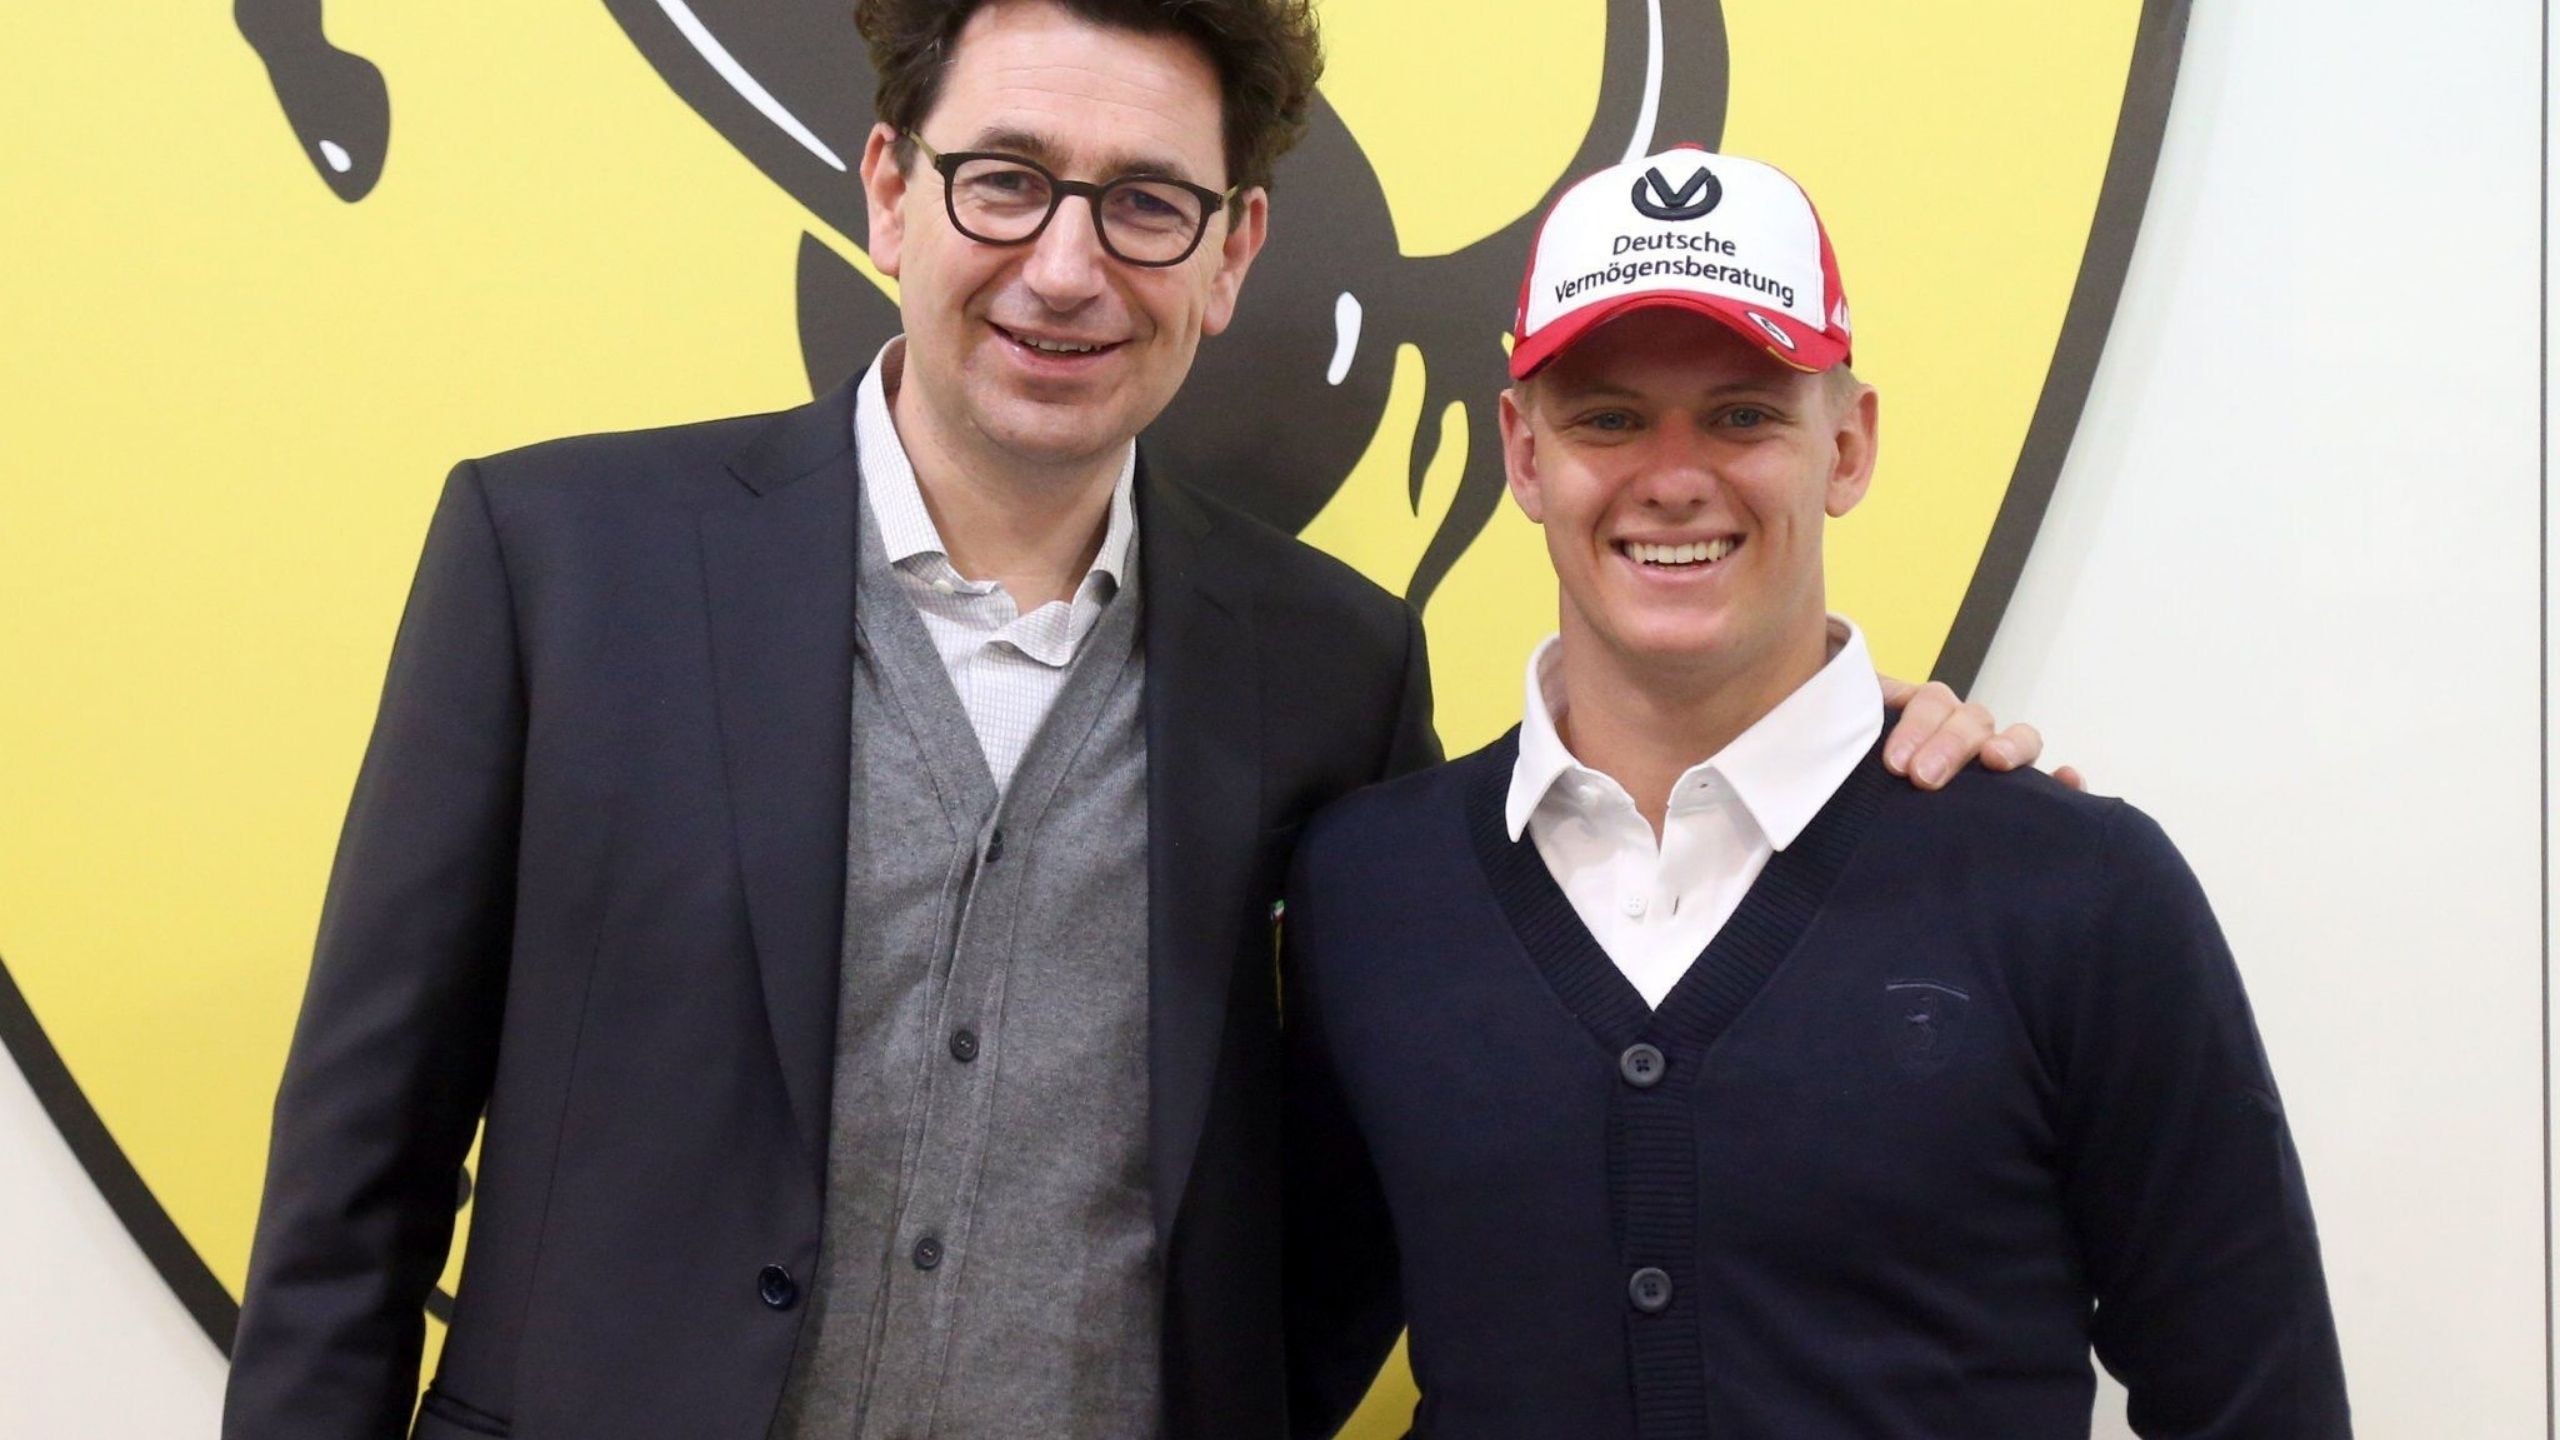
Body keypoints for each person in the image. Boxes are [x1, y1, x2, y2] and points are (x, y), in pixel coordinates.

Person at [220, 4, 2041, 1436]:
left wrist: (1841, 753)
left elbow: (1401, 1137)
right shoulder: (558, 563)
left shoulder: (1330, 667)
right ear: (888, 190)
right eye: (1004, 180)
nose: (1067, 267)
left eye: (1147, 204)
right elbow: (359, 1170)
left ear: (1232, 254)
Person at [1281, 147, 2350, 1439]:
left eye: (1742, 417)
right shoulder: (1368, 890)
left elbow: (2258, 1401)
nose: (1674, 476)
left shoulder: (2076, 890)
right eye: (1609, 418)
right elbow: (1275, 1358)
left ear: (1847, 447)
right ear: (1522, 453)